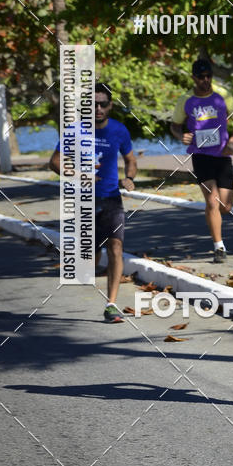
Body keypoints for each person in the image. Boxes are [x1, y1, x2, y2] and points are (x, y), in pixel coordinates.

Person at [50, 83, 137, 323]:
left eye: (103, 104)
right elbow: (56, 162)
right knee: (91, 255)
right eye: (93, 104)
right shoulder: (74, 130)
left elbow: (131, 160)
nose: (98, 108)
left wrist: (129, 178)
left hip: (111, 198)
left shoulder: (119, 131)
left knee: (116, 247)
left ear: (110, 106)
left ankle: (111, 305)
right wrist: (79, 175)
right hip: (83, 200)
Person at [171, 59, 233, 263]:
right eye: (201, 77)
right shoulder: (185, 100)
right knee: (212, 201)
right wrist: (181, 136)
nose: (205, 80)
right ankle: (219, 247)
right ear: (193, 78)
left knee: (225, 206)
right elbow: (175, 125)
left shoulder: (223, 95)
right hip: (200, 155)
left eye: (208, 76)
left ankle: (216, 223)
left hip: (222, 155)